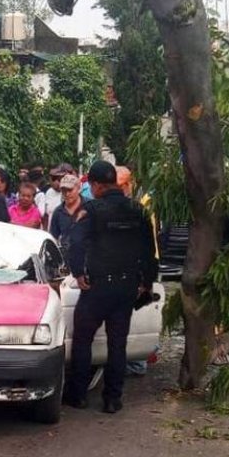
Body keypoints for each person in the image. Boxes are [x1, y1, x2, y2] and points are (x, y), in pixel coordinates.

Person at [64, 161, 158, 413]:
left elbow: (76, 243)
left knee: (83, 340)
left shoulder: (91, 209)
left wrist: (78, 273)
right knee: (118, 344)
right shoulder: (138, 210)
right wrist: (146, 282)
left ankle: (78, 395)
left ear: (95, 185)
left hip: (96, 288)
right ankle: (113, 399)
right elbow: (149, 251)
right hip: (126, 287)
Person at [49, 174, 83, 253]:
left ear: (78, 189)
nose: (67, 194)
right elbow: (54, 237)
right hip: (67, 255)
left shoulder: (90, 207)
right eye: (64, 190)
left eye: (70, 190)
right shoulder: (58, 212)